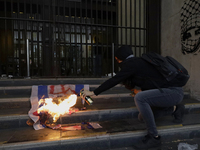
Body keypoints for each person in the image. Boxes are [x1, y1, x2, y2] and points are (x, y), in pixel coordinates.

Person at [80, 45, 185, 149]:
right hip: (169, 94)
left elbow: (114, 80)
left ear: (118, 59)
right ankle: (175, 109)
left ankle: (154, 137)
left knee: (140, 98)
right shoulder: (139, 63)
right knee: (142, 116)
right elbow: (153, 82)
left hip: (174, 92)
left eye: (117, 59)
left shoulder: (132, 64)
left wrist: (94, 92)